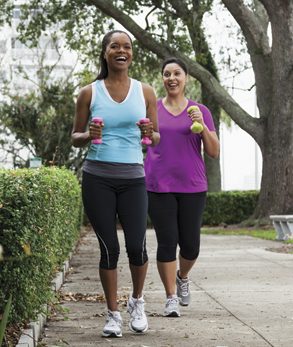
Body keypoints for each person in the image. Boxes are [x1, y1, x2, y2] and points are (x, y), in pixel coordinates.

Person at [71, 30, 160, 337]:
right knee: (109, 249)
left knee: (137, 246)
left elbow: (155, 136)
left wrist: (150, 130)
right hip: (98, 179)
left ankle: (136, 301)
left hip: (133, 178)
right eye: (115, 46)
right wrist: (88, 136)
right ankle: (112, 315)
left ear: (131, 53)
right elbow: (75, 136)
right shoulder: (89, 92)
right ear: (105, 52)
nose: (122, 50)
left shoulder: (145, 91)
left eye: (127, 46)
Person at [144, 57, 220, 317]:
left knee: (191, 245)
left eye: (177, 73)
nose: (172, 78)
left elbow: (213, 152)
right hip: (157, 184)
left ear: (187, 78)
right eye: (167, 74)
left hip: (192, 185)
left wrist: (203, 127)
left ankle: (183, 276)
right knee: (167, 241)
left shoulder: (200, 111)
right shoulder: (151, 108)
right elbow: (143, 141)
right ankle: (170, 298)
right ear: (162, 79)